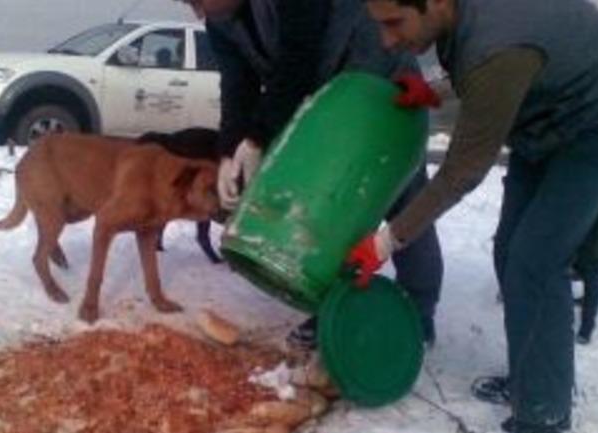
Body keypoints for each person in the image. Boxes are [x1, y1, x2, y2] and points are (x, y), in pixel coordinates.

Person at [350, 0, 598, 433]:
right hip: (549, 115)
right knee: (510, 252)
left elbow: (460, 172)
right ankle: (533, 378)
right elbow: (484, 80)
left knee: (535, 261)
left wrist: (385, 241)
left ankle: (544, 419)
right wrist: (432, 91)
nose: (387, 41)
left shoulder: (497, 45)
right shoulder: (468, 23)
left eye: (395, 23)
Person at [176, 0, 445, 346]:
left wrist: (259, 137)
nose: (197, 12)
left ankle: (419, 311)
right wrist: (229, 150)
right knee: (328, 208)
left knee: (402, 197)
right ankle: (331, 309)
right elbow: (236, 84)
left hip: (379, 80)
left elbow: (299, 57)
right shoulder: (221, 20)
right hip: (322, 96)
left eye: (198, 0)